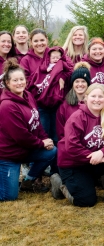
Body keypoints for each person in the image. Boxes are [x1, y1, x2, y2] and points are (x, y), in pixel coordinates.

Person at [53, 84, 104, 207]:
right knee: (87, 201)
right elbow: (72, 147)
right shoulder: (77, 118)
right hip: (73, 164)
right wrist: (95, 157)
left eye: (100, 96)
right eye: (93, 96)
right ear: (86, 98)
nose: (97, 100)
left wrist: (102, 152)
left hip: (95, 159)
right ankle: (59, 184)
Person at [0, 59, 56, 201]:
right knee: (8, 196)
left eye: (21, 79)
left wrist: (45, 139)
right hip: (8, 156)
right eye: (15, 80)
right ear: (7, 83)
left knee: (53, 151)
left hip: (25, 150)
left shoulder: (28, 95)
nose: (19, 83)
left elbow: (36, 123)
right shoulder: (7, 106)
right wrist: (41, 144)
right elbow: (21, 136)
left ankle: (28, 181)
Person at [27, 46, 73, 146]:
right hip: (42, 104)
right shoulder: (44, 67)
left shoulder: (63, 67)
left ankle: (55, 156)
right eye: (53, 57)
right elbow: (35, 80)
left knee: (56, 132)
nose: (56, 60)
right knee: (44, 131)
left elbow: (70, 71)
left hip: (57, 104)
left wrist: (62, 75)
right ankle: (45, 154)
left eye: (58, 57)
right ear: (48, 58)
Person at [56, 62, 91, 141]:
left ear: (88, 83)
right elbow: (61, 132)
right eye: (77, 81)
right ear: (73, 83)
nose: (80, 84)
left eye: (83, 81)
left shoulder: (94, 103)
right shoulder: (64, 106)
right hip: (71, 145)